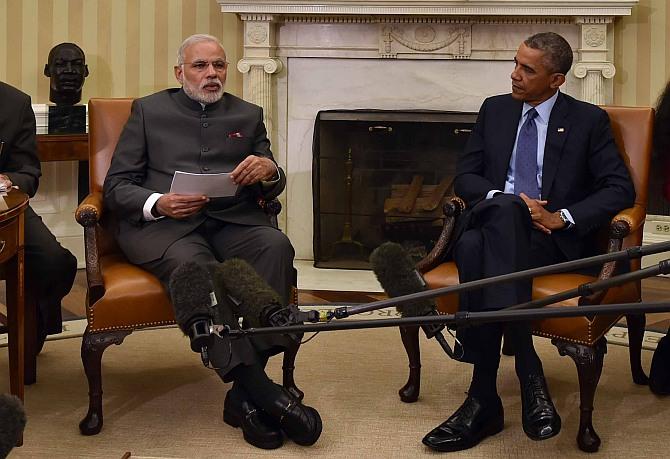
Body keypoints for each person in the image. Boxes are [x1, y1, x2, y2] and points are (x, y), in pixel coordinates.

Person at [103, 34, 321, 449]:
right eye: (201, 66)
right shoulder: (148, 111)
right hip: (168, 227)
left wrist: (270, 170)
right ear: (179, 71)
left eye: (219, 65)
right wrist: (159, 202)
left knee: (276, 247)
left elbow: (269, 185)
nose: (212, 74)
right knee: (197, 268)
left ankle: (242, 398)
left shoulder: (249, 114)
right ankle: (261, 391)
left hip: (233, 220)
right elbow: (117, 186)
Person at [422, 32, 635, 452]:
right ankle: (528, 367)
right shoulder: (495, 110)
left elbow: (619, 188)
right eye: (515, 63)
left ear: (556, 80)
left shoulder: (587, 120)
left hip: (545, 243)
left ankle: (482, 399)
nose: (514, 75)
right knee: (504, 211)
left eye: (527, 69)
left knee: (470, 249)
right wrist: (510, 201)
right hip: (496, 219)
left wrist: (561, 218)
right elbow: (466, 175)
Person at [0, 81, 78, 353]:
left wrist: (8, 179)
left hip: (4, 209)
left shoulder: (14, 102)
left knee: (55, 262)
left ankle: (36, 325)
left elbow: (28, 173)